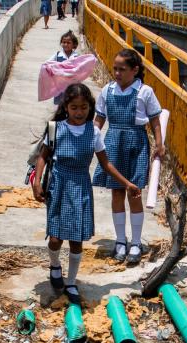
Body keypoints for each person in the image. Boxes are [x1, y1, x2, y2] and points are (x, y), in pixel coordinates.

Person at [33, 84, 141, 305]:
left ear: (90, 107)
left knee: (76, 240)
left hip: (81, 187)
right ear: (66, 107)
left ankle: (71, 281)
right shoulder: (56, 129)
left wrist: (127, 184)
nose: (79, 112)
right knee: (55, 238)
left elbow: (106, 163)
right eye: (74, 107)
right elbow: (43, 157)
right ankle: (55, 265)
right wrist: (37, 182)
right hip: (59, 187)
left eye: (83, 107)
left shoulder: (94, 133)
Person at [92, 49, 164, 265]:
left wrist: (159, 144)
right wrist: (90, 139)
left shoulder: (145, 92)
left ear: (135, 70)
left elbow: (155, 120)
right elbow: (99, 120)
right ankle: (120, 240)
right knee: (116, 194)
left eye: (122, 69)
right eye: (115, 68)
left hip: (136, 144)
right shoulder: (107, 91)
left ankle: (135, 242)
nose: (117, 73)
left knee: (134, 193)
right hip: (113, 142)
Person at [47, 30, 79, 105]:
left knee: (71, 104)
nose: (65, 44)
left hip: (72, 87)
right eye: (64, 42)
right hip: (59, 87)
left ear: (74, 45)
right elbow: (48, 64)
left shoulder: (76, 57)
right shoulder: (57, 55)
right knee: (60, 106)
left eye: (68, 43)